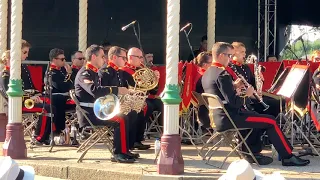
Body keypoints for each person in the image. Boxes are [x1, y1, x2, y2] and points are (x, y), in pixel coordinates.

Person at [202, 42, 310, 166]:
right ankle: (288, 156)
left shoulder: (209, 73)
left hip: (220, 117)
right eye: (229, 56)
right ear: (221, 56)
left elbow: (222, 95)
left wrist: (234, 86)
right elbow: (234, 103)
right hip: (230, 118)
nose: (230, 59)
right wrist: (247, 94)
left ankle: (252, 154)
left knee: (256, 116)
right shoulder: (222, 74)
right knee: (270, 121)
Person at [75, 44, 136, 163]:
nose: (104, 59)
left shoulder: (94, 73)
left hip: (97, 110)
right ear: (93, 57)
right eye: (102, 56)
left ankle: (124, 150)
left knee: (127, 114)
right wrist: (117, 90)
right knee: (120, 119)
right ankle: (118, 153)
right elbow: (95, 91)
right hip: (90, 114)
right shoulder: (85, 73)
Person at [0, 40, 57, 145]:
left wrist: (36, 95)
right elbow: (7, 93)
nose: (26, 55)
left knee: (51, 101)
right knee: (46, 108)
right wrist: (29, 98)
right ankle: (39, 137)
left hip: (29, 100)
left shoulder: (23, 68)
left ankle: (48, 135)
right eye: (24, 52)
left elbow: (30, 87)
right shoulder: (5, 74)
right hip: (18, 103)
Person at [44, 48, 75, 135]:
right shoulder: (51, 72)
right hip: (57, 99)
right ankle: (58, 130)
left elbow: (72, 84)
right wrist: (68, 74)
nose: (64, 61)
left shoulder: (61, 70)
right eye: (62, 59)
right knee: (59, 99)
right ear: (54, 60)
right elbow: (62, 87)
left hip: (65, 98)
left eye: (64, 59)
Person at [192, 52, 212, 129]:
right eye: (212, 63)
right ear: (205, 65)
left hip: (203, 110)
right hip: (208, 114)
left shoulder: (198, 73)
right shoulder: (204, 77)